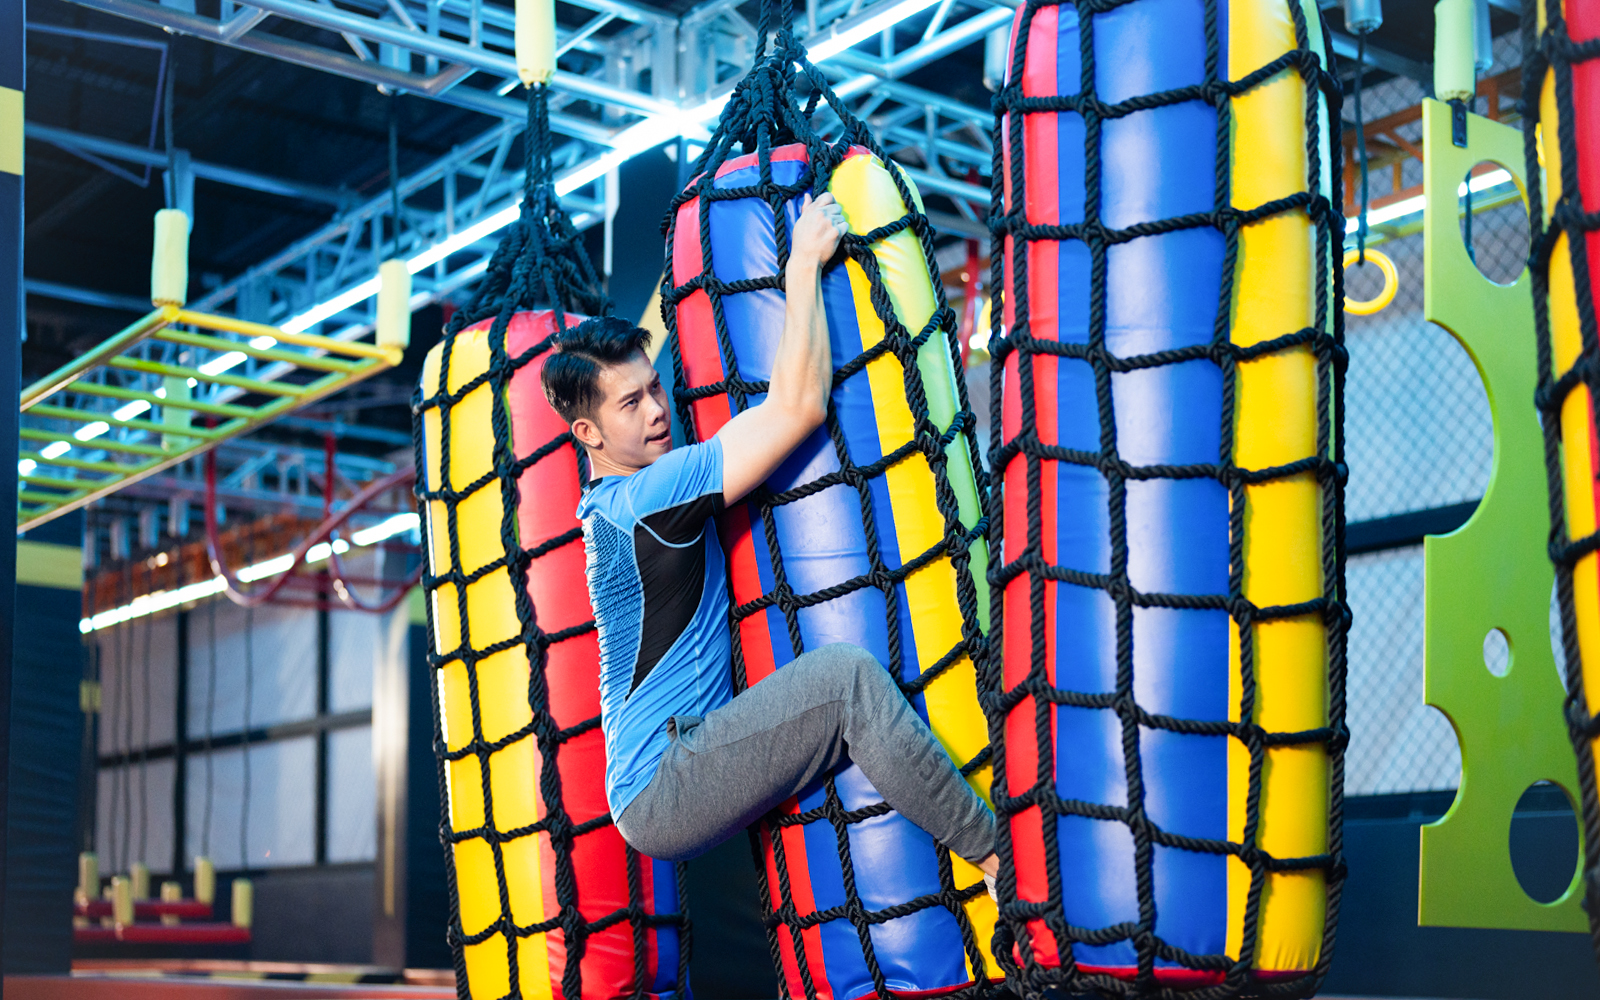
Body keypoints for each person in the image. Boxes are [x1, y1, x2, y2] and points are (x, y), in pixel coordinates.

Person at [540, 192, 998, 882]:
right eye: (631, 405)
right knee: (847, 681)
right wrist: (804, 264)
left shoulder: (614, 502)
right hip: (667, 780)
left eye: (655, 390)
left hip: (666, 772)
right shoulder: (648, 497)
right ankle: (997, 861)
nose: (660, 411)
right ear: (590, 434)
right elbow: (800, 407)